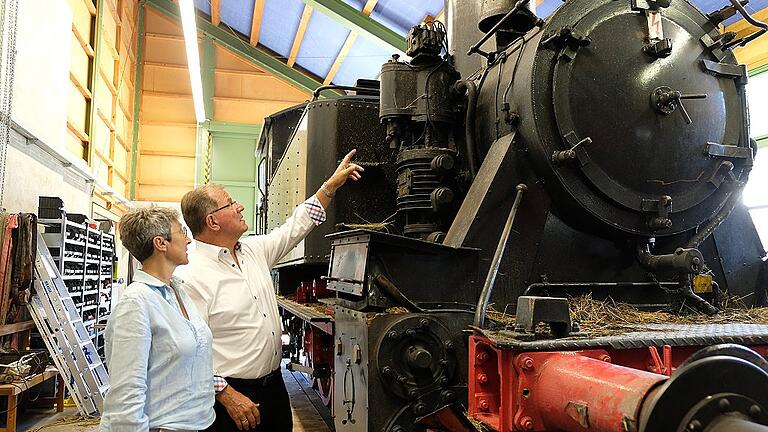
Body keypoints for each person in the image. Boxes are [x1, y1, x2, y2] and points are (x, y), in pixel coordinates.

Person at [177, 150, 363, 431]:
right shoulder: (191, 277)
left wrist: (330, 186)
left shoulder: (253, 250)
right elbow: (187, 351)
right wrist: (226, 395)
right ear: (212, 222)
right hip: (231, 398)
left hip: (273, 387)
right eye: (230, 204)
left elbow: (296, 226)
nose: (239, 207)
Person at [100, 207, 215, 432]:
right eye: (182, 231)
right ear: (161, 243)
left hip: (200, 424)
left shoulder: (178, 291)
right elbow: (126, 391)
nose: (189, 240)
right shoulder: (136, 303)